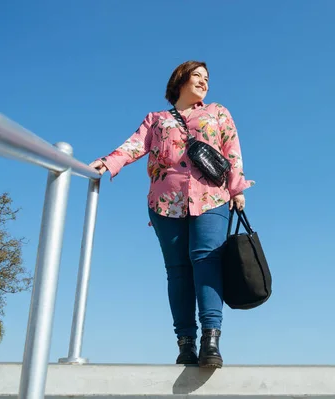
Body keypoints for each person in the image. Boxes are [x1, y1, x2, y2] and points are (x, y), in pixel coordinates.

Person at [90, 60, 255, 368]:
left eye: (207, 78)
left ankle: (211, 341)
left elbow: (231, 150)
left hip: (210, 197)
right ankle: (186, 344)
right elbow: (134, 146)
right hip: (165, 202)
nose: (205, 82)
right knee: (178, 270)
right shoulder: (157, 119)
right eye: (198, 76)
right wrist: (108, 162)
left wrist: (237, 189)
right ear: (180, 79)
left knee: (206, 261)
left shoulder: (218, 112)